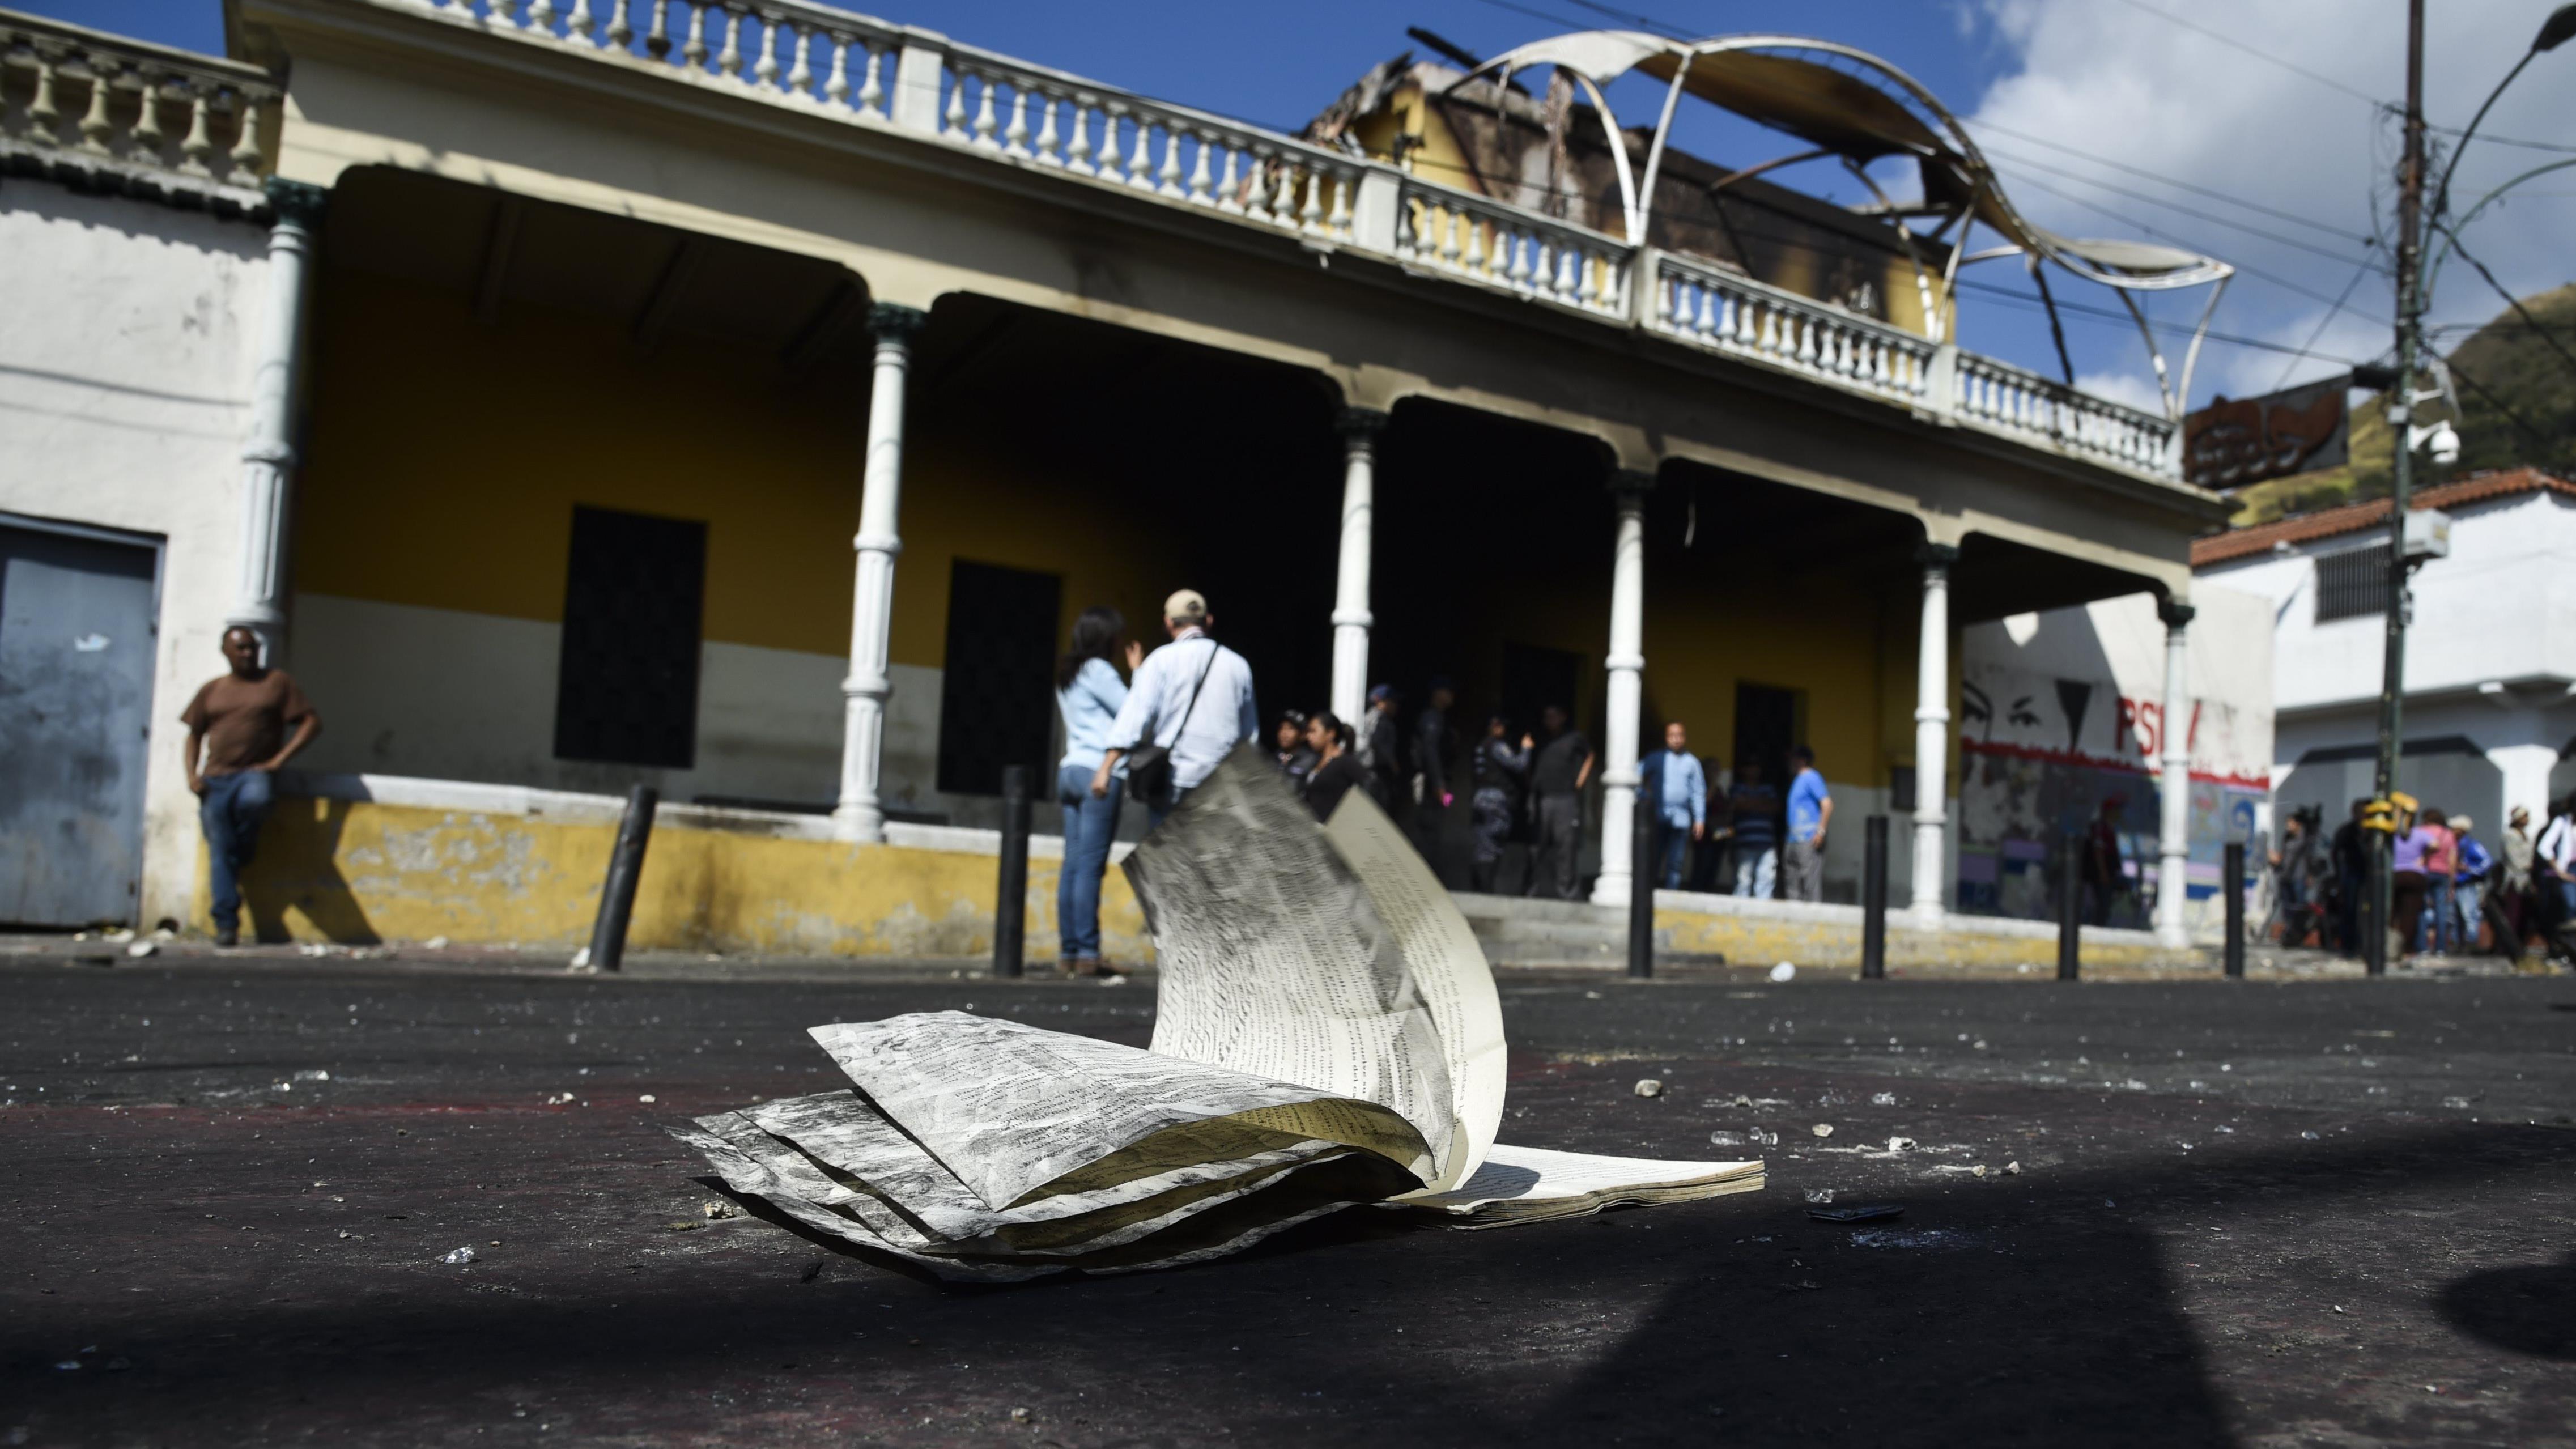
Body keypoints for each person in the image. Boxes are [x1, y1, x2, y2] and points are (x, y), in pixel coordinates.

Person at [181, 626, 322, 946]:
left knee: (256, 801)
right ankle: (226, 923)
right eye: (241, 648)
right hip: (215, 779)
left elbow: (312, 722)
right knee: (220, 852)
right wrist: (191, 775)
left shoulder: (276, 683)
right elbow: (194, 735)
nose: (247, 653)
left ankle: (243, 848)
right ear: (225, 652)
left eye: (252, 647)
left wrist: (279, 760)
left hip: (254, 773)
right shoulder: (212, 690)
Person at [1096, 589, 1257, 828]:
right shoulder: (1238, 665)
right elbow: (1249, 734)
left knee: (1168, 849)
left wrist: (1106, 768)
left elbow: (1136, 717)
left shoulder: (1161, 659)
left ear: (1168, 622)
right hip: (1220, 779)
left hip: (1175, 776)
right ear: (1208, 621)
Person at [1053, 606, 1138, 978]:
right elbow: (1134, 712)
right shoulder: (1099, 670)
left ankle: (1069, 951)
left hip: (1070, 769)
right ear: (1106, 638)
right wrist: (1138, 672)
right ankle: (1089, 952)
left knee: (1072, 865)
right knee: (1090, 868)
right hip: (1098, 773)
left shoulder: (1068, 672)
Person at [1524, 704, 1593, 901]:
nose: (1550, 720)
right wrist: (1530, 780)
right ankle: (1530, 889)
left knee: (1566, 845)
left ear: (1563, 717)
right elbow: (1525, 757)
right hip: (1541, 797)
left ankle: (1567, 892)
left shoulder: (1574, 738)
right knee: (1536, 845)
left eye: (1554, 716)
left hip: (1565, 798)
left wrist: (1580, 782)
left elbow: (1590, 755)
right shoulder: (1539, 737)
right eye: (1547, 717)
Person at [1636, 721, 1706, 890]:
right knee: (1655, 856)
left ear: (1684, 737)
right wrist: (1644, 796)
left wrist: (1699, 819)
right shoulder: (1655, 758)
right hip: (1658, 817)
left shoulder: (1692, 762)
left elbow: (1698, 792)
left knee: (1676, 862)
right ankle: (1648, 892)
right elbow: (1634, 776)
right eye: (1672, 736)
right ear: (1666, 738)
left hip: (1682, 819)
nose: (1676, 739)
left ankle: (1671, 893)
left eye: (1679, 735)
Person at [1467, 713, 1527, 893]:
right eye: (1501, 726)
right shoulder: (1496, 746)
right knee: (1492, 846)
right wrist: (1526, 749)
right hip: (1494, 800)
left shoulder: (1480, 746)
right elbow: (1519, 765)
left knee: (1481, 845)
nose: (1503, 730)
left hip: (1479, 798)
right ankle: (1485, 890)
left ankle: (1480, 889)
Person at [1782, 745, 1833, 903]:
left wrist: (1821, 832)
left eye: (1792, 758)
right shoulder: (1797, 780)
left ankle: (1812, 915)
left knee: (1810, 885)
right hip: (1793, 840)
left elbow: (1827, 804)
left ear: (1802, 760)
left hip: (1808, 840)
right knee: (1792, 883)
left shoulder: (1812, 777)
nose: (1789, 762)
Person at [1300, 711, 1371, 822]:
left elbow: (1369, 786)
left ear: (1330, 733)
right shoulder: (1315, 763)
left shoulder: (1345, 762)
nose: (1309, 736)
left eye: (1313, 731)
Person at [1728, 760, 1780, 899]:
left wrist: (1748, 802)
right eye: (1750, 767)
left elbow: (1774, 807)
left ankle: (1763, 912)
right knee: (1743, 882)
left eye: (1756, 767)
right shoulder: (1737, 788)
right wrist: (1762, 802)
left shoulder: (1769, 789)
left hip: (1767, 844)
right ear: (1743, 770)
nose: (1753, 771)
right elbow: (1737, 805)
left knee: (1766, 882)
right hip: (1744, 843)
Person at [2388, 801, 2433, 962]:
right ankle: (2405, 948)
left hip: (2395, 874)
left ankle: (2389, 947)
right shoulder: (2420, 834)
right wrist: (2424, 857)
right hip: (2415, 875)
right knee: (2410, 914)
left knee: (2392, 913)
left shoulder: (2391, 834)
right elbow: (2435, 844)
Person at [2329, 798, 2371, 954]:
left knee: (2366, 911)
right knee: (2350, 909)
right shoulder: (2347, 831)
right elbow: (2336, 852)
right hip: (2352, 873)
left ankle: (2363, 944)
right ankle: (2349, 945)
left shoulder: (2374, 831)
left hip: (2368, 874)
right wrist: (2339, 874)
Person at [2081, 796, 2130, 927]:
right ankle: (2097, 925)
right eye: (2116, 810)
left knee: (2106, 904)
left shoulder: (2110, 828)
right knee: (2101, 904)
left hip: (2109, 874)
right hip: (2100, 876)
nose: (2119, 814)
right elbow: (2099, 852)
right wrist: (2103, 874)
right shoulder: (2100, 828)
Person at [2413, 805, 2456, 956]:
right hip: (2442, 874)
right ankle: (2441, 948)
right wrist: (2452, 883)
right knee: (2441, 911)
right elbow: (2452, 860)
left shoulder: (2419, 832)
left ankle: (2422, 946)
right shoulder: (2448, 834)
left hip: (2423, 872)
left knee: (2422, 909)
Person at [1361, 684, 1407, 810]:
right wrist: (1393, 764)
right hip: (1376, 772)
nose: (1396, 706)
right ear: (1380, 701)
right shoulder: (1380, 718)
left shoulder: (1368, 716)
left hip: (1370, 771)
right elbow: (1378, 742)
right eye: (1393, 701)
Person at [2449, 814, 2490, 955]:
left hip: (2467, 885)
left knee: (2469, 914)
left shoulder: (2472, 845)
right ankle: (2458, 944)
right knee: (2455, 917)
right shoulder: (2454, 844)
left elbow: (2487, 862)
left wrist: (2469, 869)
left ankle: (2471, 942)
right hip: (2455, 885)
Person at [2497, 805, 2537, 951]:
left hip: (2526, 880)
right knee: (2512, 912)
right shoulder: (2509, 835)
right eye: (2524, 816)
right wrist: (2528, 866)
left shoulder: (2525, 835)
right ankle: (2507, 945)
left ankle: (2519, 943)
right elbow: (2513, 858)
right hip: (2514, 878)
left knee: (2524, 913)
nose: (2527, 819)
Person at [1272, 709, 1317, 787]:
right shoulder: (1273, 758)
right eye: (1281, 728)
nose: (1284, 733)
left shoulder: (1311, 760)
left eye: (1290, 728)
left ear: (1303, 735)